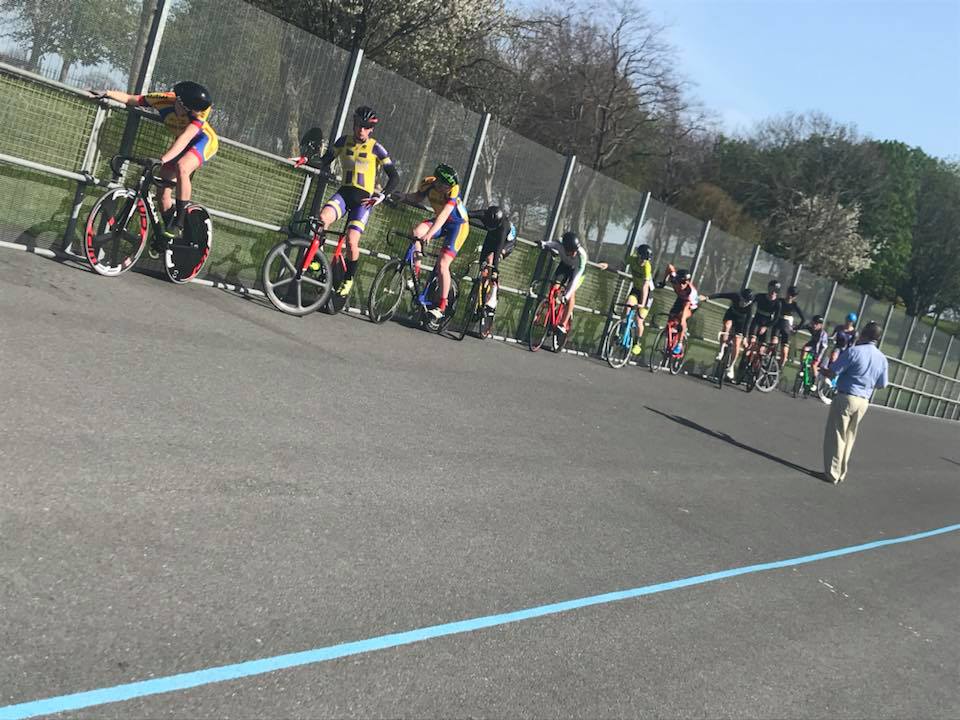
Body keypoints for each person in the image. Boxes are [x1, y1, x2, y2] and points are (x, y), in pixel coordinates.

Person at [91, 81, 218, 247]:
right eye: (188, 110)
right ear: (179, 102)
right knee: (162, 195)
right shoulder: (162, 99)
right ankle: (168, 237)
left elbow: (184, 139)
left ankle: (179, 222)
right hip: (180, 145)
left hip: (203, 141)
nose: (191, 114)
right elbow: (131, 99)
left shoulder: (199, 113)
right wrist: (107, 93)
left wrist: (162, 160)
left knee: (182, 167)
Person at [300, 106, 399, 298]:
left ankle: (348, 279)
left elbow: (394, 177)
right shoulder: (343, 141)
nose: (361, 130)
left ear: (371, 129)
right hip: (344, 194)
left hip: (363, 201)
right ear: (353, 124)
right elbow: (323, 161)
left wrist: (382, 196)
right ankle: (318, 261)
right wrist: (305, 159)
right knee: (322, 220)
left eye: (366, 127)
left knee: (352, 241)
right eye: (358, 125)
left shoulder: (376, 148)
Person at [820, 321, 888, 485]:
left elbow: (833, 372)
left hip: (846, 396)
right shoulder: (882, 359)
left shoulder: (854, 351)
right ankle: (841, 472)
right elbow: (882, 384)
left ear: (863, 334)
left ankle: (832, 473)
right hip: (864, 401)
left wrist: (821, 370)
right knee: (849, 437)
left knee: (837, 435)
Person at [399, 164, 469, 321]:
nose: (447, 188)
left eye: (449, 186)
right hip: (441, 222)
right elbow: (417, 197)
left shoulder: (453, 189)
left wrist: (430, 234)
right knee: (417, 233)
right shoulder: (428, 183)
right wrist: (403, 196)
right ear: (438, 181)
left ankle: (442, 306)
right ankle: (415, 275)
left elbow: (444, 214)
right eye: (446, 185)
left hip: (457, 226)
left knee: (443, 264)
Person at [537, 231, 593, 336]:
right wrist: (543, 244)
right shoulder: (560, 244)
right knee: (554, 288)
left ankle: (563, 324)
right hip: (565, 265)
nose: (574, 253)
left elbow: (575, 281)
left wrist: (566, 297)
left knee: (571, 293)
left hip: (577, 271)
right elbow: (552, 244)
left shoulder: (581, 257)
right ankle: (552, 314)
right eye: (572, 251)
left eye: (575, 251)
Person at [468, 205, 518, 315]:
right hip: (492, 238)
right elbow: (467, 214)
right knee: (483, 265)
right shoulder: (484, 214)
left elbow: (498, 249)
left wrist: (495, 269)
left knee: (491, 260)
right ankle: (480, 294)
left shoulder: (504, 226)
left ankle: (493, 295)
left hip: (506, 243)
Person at [702, 287, 754, 379]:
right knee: (727, 326)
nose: (744, 303)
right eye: (743, 300)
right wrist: (708, 297)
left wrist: (745, 337)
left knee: (737, 343)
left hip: (741, 323)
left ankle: (731, 366)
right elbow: (721, 295)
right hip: (731, 315)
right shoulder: (735, 296)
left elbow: (748, 324)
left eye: (747, 302)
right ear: (740, 297)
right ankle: (721, 350)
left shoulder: (750, 308)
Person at [659, 265, 700, 353]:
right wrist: (664, 281)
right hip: (681, 299)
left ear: (688, 282)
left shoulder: (690, 292)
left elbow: (686, 307)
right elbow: (669, 267)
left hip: (691, 305)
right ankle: (670, 338)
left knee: (682, 318)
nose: (681, 284)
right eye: (680, 282)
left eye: (684, 282)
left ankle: (679, 344)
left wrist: (682, 321)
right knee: (671, 316)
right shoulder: (674, 280)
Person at [624, 243, 655, 355]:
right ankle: (621, 331)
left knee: (638, 320)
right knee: (627, 306)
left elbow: (645, 286)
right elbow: (622, 263)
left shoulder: (647, 266)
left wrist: (642, 303)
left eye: (646, 260)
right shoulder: (632, 259)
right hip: (636, 289)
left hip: (647, 293)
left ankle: (637, 343)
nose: (643, 261)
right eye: (642, 258)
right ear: (638, 255)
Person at [744, 279, 783, 364]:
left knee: (761, 349)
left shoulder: (778, 303)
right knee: (751, 342)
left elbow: (776, 319)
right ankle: (745, 361)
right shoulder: (760, 296)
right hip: (756, 320)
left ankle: (756, 366)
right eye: (772, 289)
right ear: (769, 288)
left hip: (767, 323)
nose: (773, 292)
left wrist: (766, 327)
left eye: (776, 290)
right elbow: (750, 303)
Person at [775, 285, 806, 367]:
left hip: (787, 327)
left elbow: (803, 319)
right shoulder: (780, 301)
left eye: (793, 295)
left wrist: (796, 328)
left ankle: (779, 368)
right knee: (772, 343)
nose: (790, 296)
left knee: (784, 352)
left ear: (795, 297)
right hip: (777, 325)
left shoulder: (794, 305)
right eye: (789, 293)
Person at [798, 314, 829, 381]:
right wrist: (795, 328)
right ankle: (802, 366)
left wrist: (816, 357)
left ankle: (814, 381)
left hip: (821, 348)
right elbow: (804, 326)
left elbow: (819, 345)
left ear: (820, 325)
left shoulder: (822, 333)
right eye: (813, 323)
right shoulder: (812, 327)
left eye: (816, 324)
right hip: (813, 344)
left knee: (814, 365)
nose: (814, 325)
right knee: (804, 349)